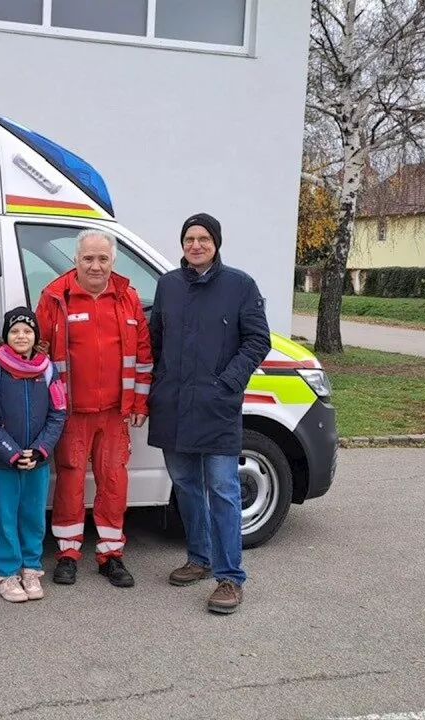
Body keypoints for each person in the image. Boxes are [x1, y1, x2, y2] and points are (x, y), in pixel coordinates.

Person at [148, 213, 270, 615]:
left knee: (222, 490)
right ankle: (198, 558)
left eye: (203, 238)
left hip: (217, 407)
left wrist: (228, 382)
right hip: (175, 406)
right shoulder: (168, 285)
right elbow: (156, 340)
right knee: (185, 484)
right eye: (189, 238)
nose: (195, 245)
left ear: (216, 243)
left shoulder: (240, 285)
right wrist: (161, 383)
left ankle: (230, 578)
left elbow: (257, 340)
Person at [35, 229, 153, 588]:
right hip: (71, 412)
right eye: (89, 258)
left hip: (116, 412)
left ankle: (110, 554)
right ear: (76, 259)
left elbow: (144, 356)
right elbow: (37, 353)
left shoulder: (128, 297)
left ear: (113, 260)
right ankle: (68, 553)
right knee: (70, 480)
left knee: (113, 481)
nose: (96, 265)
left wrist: (138, 402)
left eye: (103, 258)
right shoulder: (55, 296)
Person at [0, 306, 67, 603]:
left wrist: (40, 450)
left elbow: (58, 414)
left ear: (35, 336)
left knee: (33, 516)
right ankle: (7, 572)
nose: (21, 336)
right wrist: (12, 453)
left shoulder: (49, 370)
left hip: (37, 460)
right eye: (14, 331)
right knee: (6, 516)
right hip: (4, 461)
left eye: (27, 331)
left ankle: (31, 568)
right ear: (5, 336)